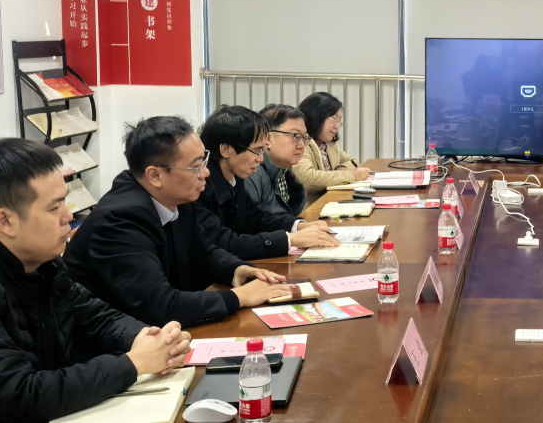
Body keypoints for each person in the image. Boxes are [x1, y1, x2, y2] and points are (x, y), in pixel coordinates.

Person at [0, 138, 192, 422]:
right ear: (5, 221)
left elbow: (94, 316)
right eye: (54, 207)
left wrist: (148, 339)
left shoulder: (38, 260)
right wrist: (133, 363)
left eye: (64, 201)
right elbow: (20, 397)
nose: (69, 216)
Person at [64, 116, 292, 328]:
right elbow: (160, 306)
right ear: (155, 175)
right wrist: (239, 297)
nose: (206, 173)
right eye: (195, 166)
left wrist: (237, 269)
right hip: (110, 343)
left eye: (204, 161)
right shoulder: (120, 220)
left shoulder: (176, 196)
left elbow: (203, 253)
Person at [197, 105, 339, 260]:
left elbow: (255, 216)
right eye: (257, 151)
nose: (261, 158)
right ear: (226, 150)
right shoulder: (199, 188)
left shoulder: (234, 178)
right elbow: (224, 242)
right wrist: (290, 239)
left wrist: (298, 226)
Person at [294, 92, 372, 202]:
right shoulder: (301, 144)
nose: (337, 126)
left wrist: (339, 170)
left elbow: (353, 162)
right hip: (311, 208)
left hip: (330, 202)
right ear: (316, 116)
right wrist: (351, 175)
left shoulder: (329, 145)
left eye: (339, 121)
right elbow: (309, 179)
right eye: (334, 120)